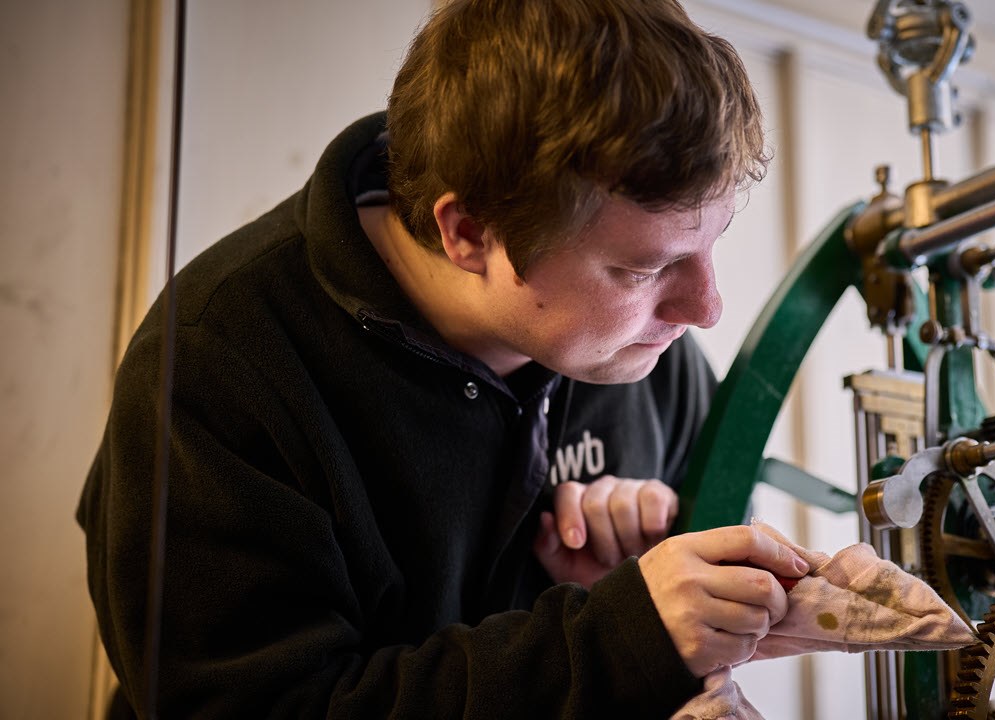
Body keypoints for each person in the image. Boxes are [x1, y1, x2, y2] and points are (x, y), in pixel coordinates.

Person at [78, 0, 811, 717]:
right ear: (468, 232)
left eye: (710, 245)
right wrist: (616, 640)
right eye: (644, 269)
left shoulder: (642, 351)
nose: (705, 309)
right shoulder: (220, 362)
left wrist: (642, 576)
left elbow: (708, 554)